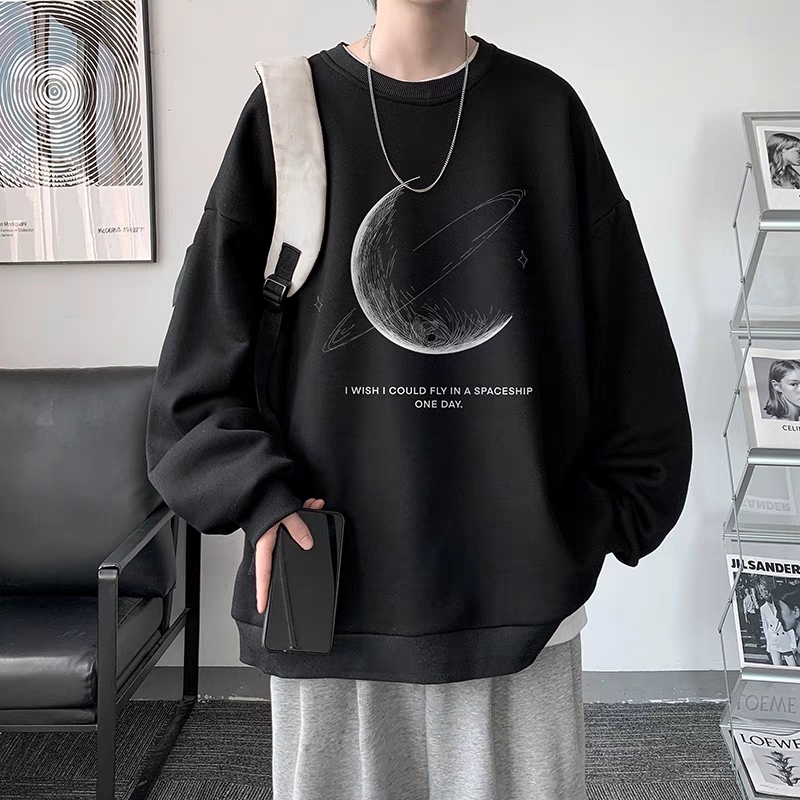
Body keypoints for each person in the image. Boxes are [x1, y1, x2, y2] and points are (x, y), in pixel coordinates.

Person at [145, 1, 693, 797]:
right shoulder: (288, 113)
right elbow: (194, 371)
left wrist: (587, 523)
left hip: (520, 601)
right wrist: (258, 495)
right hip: (330, 594)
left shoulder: (544, 113)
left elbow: (630, 352)